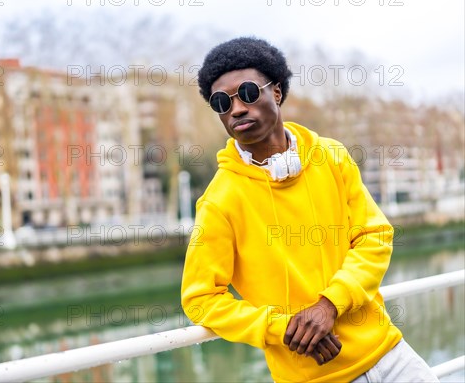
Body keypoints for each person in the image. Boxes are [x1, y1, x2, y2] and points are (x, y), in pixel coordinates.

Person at [180, 37, 439, 382]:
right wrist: (283, 328)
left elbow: (374, 236)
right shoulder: (219, 200)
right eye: (221, 102)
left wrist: (329, 304)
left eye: (247, 92)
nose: (236, 109)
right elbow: (201, 298)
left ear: (277, 92)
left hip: (390, 355)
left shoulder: (331, 156)